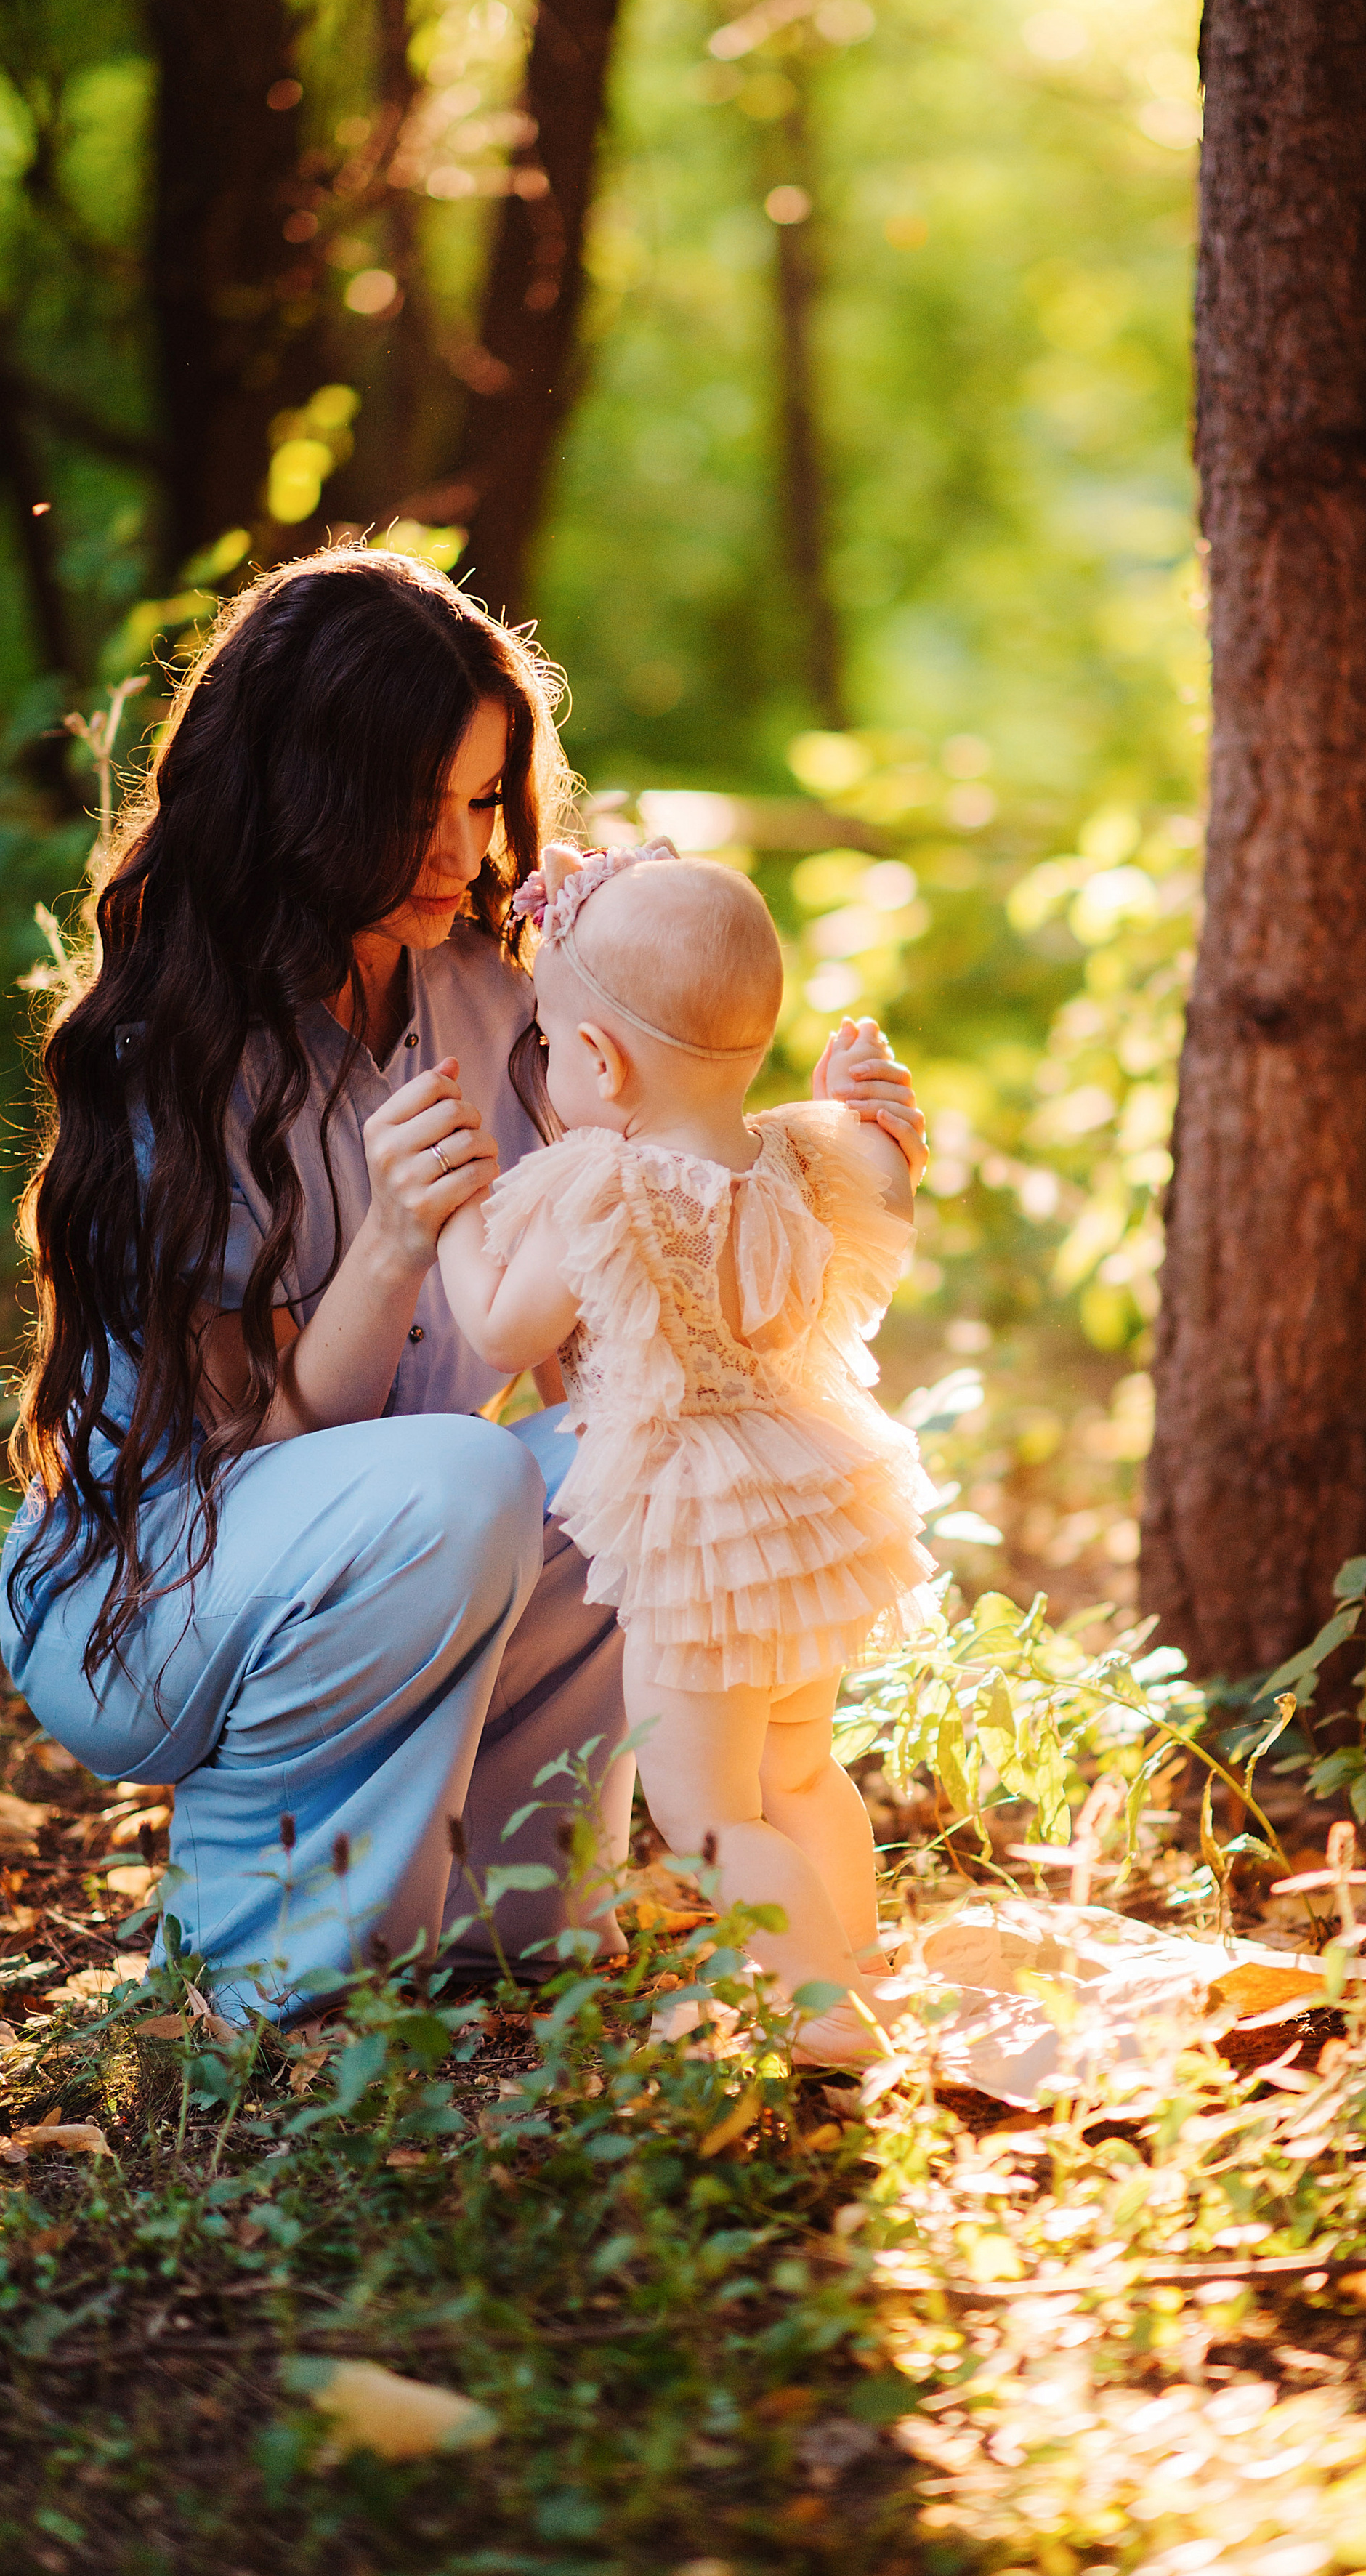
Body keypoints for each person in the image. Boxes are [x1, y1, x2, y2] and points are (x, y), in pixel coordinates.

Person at [0, 549, 632, 2014]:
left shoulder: (497, 992)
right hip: (149, 1594)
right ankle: (256, 1943)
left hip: (377, 1536)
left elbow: (580, 1360)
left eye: (480, 801)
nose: (460, 850)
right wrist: (400, 1240)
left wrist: (717, 1125)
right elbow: (261, 1448)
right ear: (298, 793)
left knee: (634, 1459)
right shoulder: (179, 1034)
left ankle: (507, 1913)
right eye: (412, 808)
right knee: (453, 1485)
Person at [437, 838, 934, 2062]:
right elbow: (892, 1182)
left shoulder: (598, 1184)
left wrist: (447, 1223)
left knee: (707, 1813)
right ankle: (857, 1964)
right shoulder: (799, 1155)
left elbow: (503, 1328)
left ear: (596, 1059)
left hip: (695, 1532)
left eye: (548, 1042)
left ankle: (828, 2019)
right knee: (803, 1774)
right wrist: (862, 1101)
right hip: (807, 1508)